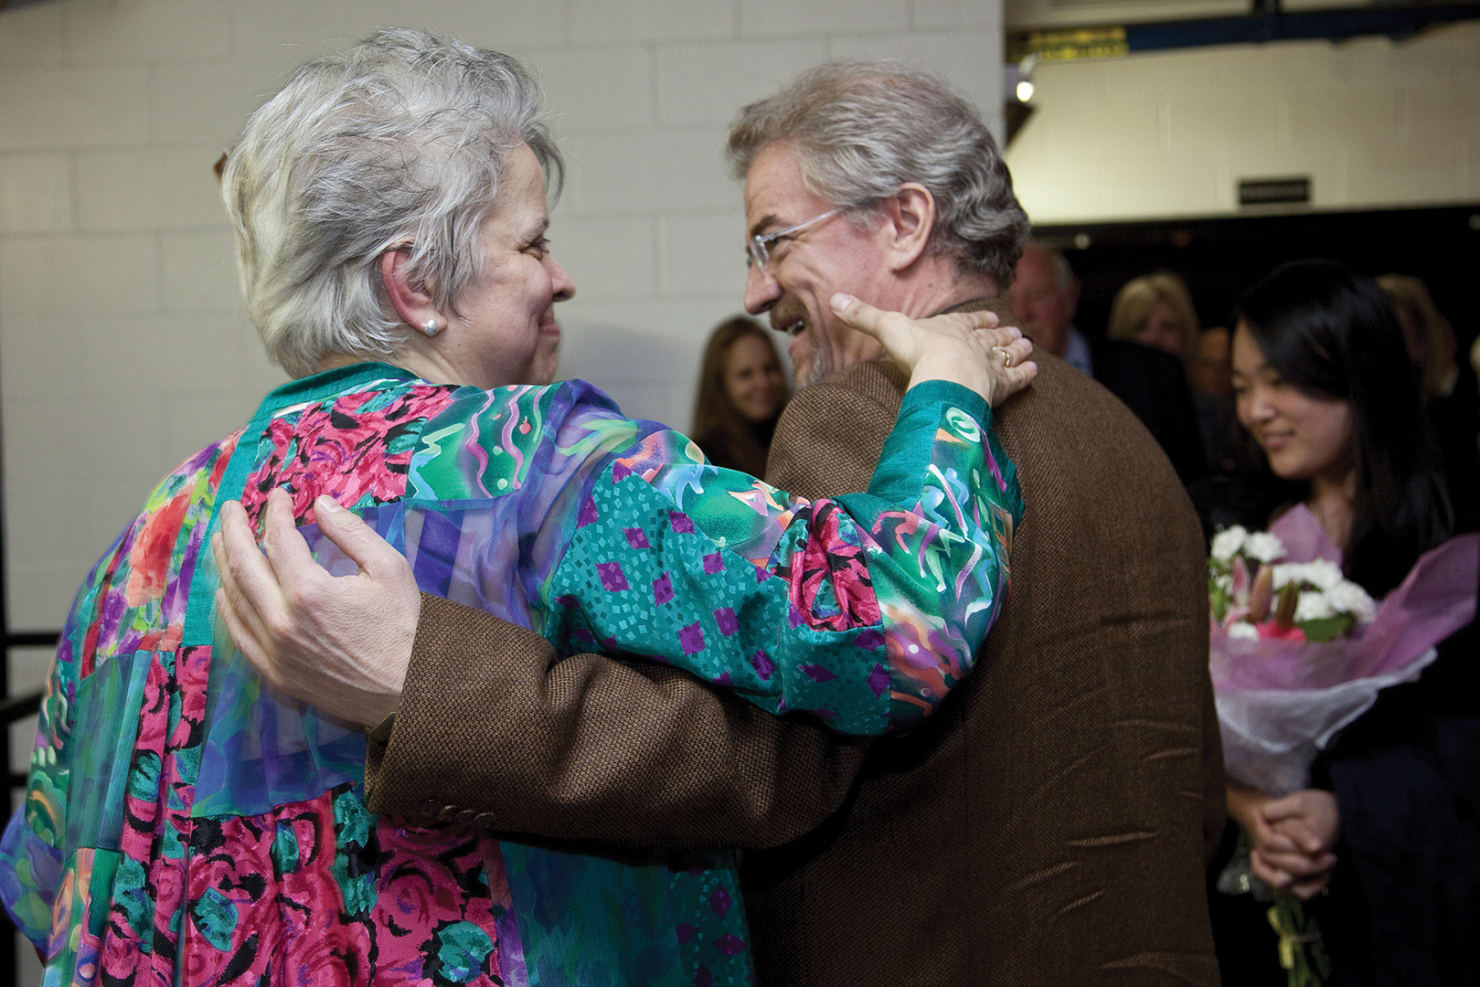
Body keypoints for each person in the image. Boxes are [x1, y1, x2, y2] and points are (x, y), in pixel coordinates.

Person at [0, 33, 1038, 985]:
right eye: (533, 244)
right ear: (416, 286)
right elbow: (897, 617)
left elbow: (44, 883)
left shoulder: (154, 536)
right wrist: (948, 386)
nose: (563, 278)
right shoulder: (532, 464)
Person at [217, 60, 1223, 984]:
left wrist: (424, 687)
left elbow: (761, 763)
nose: (753, 292)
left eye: (774, 243)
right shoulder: (1122, 436)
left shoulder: (862, 420)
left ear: (907, 221)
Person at [1212, 259, 1479, 986]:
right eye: (1241, 387)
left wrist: (1347, 808)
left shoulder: (1449, 529)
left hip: (1402, 906)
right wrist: (1248, 803)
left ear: (1358, 370)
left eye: (1281, 380)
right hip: (1254, 889)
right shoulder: (1233, 522)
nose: (1256, 409)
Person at [1011, 241, 1207, 480]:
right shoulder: (987, 387)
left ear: (1070, 298)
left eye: (1038, 296)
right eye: (1008, 298)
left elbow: (1190, 480)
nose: (1021, 312)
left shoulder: (1151, 373)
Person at [1377, 273, 1479, 531]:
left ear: (1421, 340)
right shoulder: (1363, 427)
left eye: (1394, 332)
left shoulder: (1449, 427)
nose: (1381, 346)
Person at [689, 315, 789, 475]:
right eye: (745, 374)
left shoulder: (799, 441)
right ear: (720, 385)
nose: (763, 383)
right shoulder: (703, 461)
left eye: (769, 368)